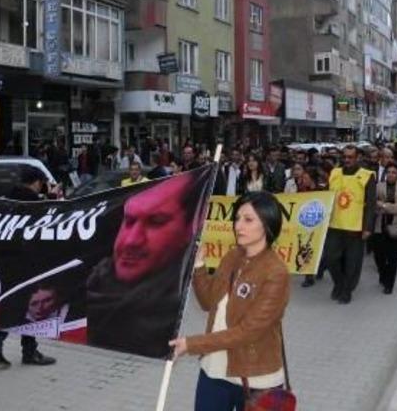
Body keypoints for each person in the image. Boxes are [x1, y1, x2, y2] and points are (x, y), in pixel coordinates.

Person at [169, 192, 289, 411]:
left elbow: (248, 331)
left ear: (268, 224)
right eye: (237, 218)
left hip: (256, 377)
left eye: (248, 219)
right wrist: (199, 266)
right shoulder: (232, 257)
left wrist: (191, 344)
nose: (238, 225)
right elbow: (208, 302)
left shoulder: (276, 271)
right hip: (214, 369)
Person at [87, 172, 205, 358]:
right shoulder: (90, 287)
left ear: (190, 228)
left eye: (156, 222)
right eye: (130, 220)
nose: (132, 240)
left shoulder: (169, 311)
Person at [0, 167, 57, 366]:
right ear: (36, 182)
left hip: (6, 260)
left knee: (12, 304)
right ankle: (26, 351)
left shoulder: (7, 198)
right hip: (27, 261)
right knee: (22, 307)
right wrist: (51, 199)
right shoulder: (33, 201)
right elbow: (48, 223)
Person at [325, 145, 376, 304]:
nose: (347, 160)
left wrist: (368, 227)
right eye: (345, 157)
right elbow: (326, 196)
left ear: (357, 158)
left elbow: (371, 203)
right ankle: (339, 283)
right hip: (334, 224)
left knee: (352, 262)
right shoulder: (334, 173)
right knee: (331, 258)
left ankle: (346, 291)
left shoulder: (367, 176)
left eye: (350, 157)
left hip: (355, 226)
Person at [371, 162, 397, 294]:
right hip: (379, 226)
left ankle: (389, 285)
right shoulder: (378, 186)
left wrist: (384, 206)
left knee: (392, 258)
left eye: (394, 172)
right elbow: (373, 204)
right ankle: (383, 274)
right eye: (389, 172)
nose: (391, 175)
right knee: (379, 256)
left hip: (396, 227)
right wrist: (382, 206)